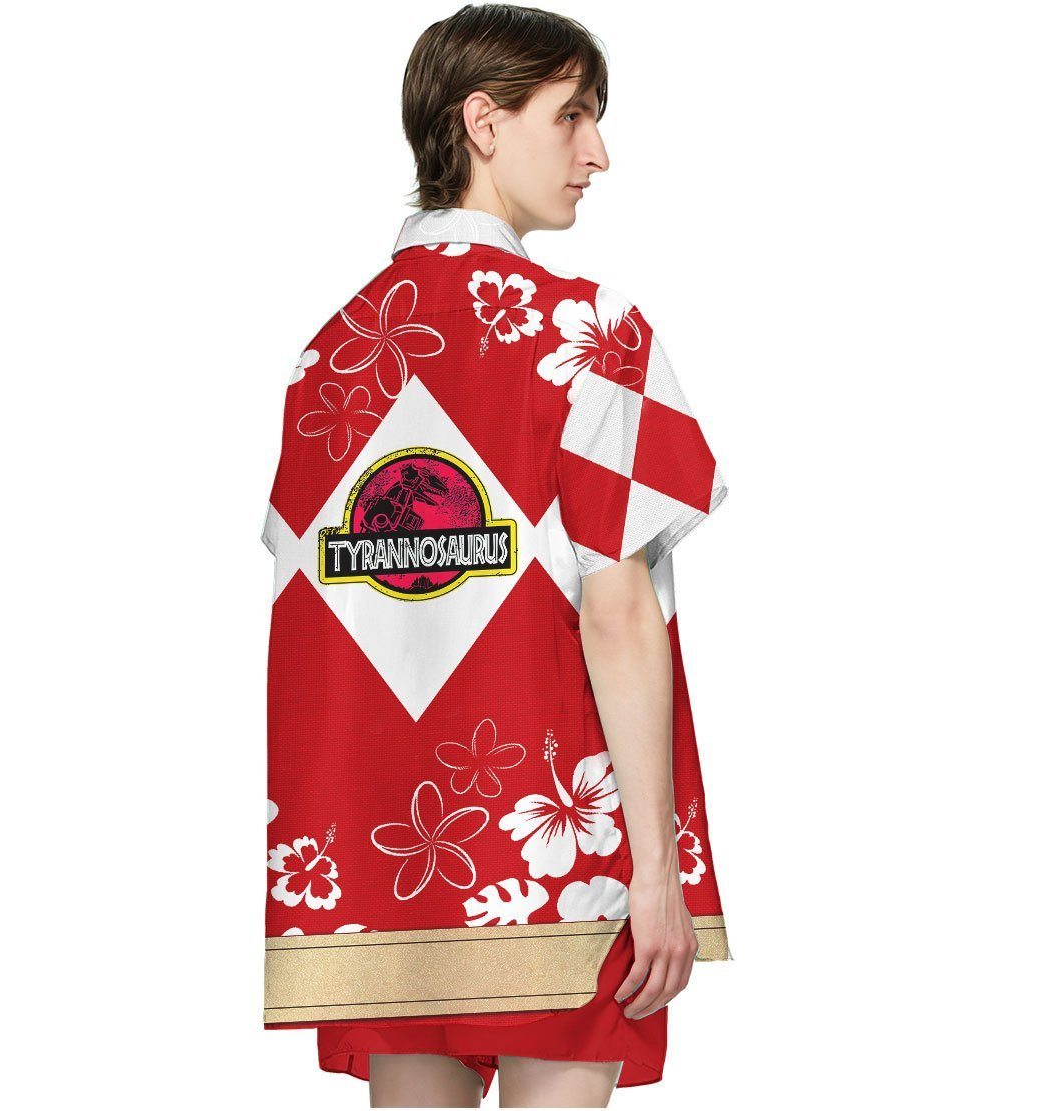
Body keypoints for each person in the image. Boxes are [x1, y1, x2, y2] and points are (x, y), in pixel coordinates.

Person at [261, 5, 731, 1106]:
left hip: (375, 855)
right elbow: (617, 612)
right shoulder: (588, 335)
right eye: (571, 116)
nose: (597, 153)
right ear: (482, 121)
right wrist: (656, 873)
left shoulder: (327, 358)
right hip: (551, 844)